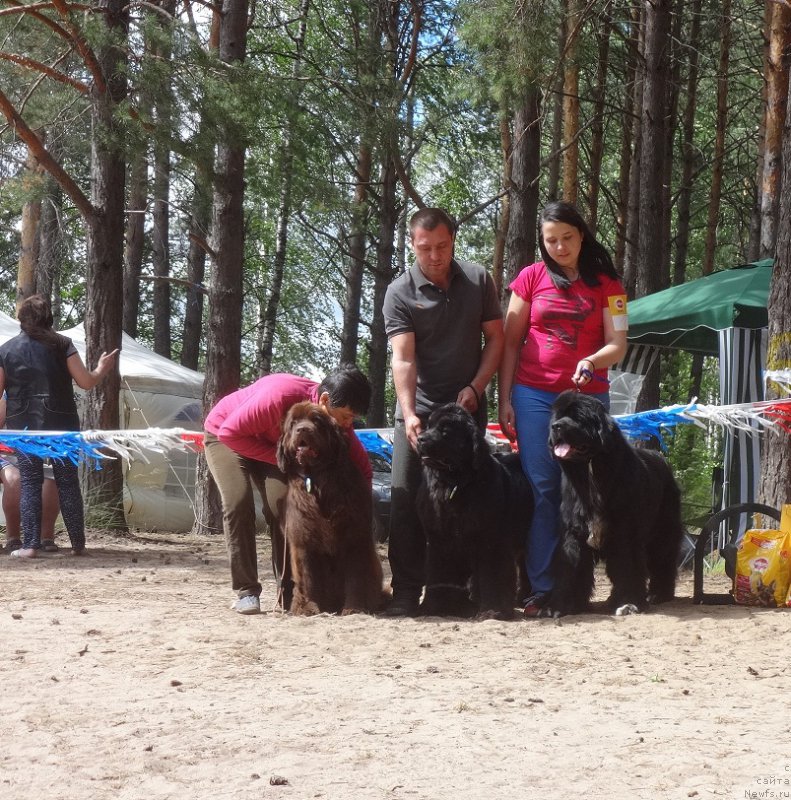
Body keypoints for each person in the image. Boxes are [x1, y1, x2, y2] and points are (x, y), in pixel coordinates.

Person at [498, 201, 628, 617]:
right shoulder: (529, 279)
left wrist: (591, 361)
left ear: (582, 235)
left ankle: (581, 588)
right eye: (550, 240)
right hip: (533, 396)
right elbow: (510, 342)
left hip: (588, 402)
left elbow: (618, 345)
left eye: (567, 238)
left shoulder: (610, 283)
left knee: (588, 496)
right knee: (544, 490)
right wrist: (504, 399)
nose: (558, 246)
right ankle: (541, 588)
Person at [383, 207, 504, 617]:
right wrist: (409, 412)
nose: (434, 256)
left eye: (442, 247)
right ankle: (404, 592)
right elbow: (403, 359)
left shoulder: (478, 279)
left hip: (466, 412)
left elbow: (497, 340)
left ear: (454, 240)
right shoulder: (398, 292)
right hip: (418, 413)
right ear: (412, 246)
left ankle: (457, 591)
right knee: (406, 502)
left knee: (470, 505)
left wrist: (477, 387)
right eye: (424, 248)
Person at [203, 365, 373, 615]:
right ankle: (246, 591)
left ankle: (289, 592)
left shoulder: (335, 420)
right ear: (325, 400)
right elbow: (230, 432)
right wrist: (281, 459)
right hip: (227, 437)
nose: (348, 424)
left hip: (273, 446)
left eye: (353, 419)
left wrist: (362, 508)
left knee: (285, 505)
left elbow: (363, 468)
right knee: (238, 502)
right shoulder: (279, 396)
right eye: (346, 416)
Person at [0, 294, 118, 558]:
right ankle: (78, 545)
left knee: (30, 481)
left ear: (22, 319)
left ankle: (30, 546)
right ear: (48, 317)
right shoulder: (63, 344)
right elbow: (86, 382)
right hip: (62, 423)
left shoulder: (5, 350)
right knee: (67, 482)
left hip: (23, 425)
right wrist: (101, 368)